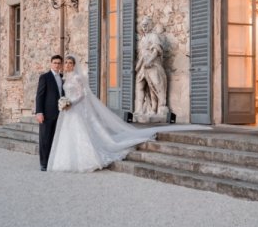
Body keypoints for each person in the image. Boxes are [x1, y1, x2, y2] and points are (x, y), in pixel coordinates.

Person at [48, 55, 203, 173]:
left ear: (74, 65)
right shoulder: (64, 77)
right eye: (66, 63)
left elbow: (83, 95)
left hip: (75, 108)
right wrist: (64, 103)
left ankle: (86, 160)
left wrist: (70, 103)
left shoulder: (76, 77)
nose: (67, 65)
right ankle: (66, 161)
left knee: (80, 133)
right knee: (67, 134)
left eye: (70, 63)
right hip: (68, 112)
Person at [34, 54, 64, 171]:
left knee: (55, 138)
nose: (57, 65)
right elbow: (39, 96)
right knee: (45, 139)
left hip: (60, 113)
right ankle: (44, 163)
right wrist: (39, 112)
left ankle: (52, 161)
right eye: (55, 63)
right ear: (51, 64)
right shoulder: (44, 77)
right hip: (46, 114)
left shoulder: (62, 77)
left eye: (58, 63)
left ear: (61, 65)